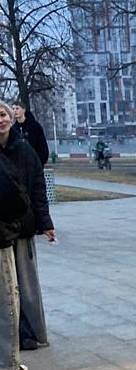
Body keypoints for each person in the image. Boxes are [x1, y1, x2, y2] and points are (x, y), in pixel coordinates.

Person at [0, 101, 56, 352]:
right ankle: (8, 336)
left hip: (22, 226)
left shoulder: (24, 150)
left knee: (26, 283)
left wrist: (45, 223)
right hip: (1, 230)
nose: (0, 120)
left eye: (3, 114)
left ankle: (30, 332)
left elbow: (38, 188)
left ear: (11, 118)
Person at [0, 102, 32, 370]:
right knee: (7, 300)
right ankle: (7, 365)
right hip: (1, 235)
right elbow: (13, 195)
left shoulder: (21, 147)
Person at [12, 100, 49, 167]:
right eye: (13, 109)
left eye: (17, 108)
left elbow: (43, 147)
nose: (15, 111)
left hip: (35, 166)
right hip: (19, 168)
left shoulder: (35, 126)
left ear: (23, 110)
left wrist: (39, 163)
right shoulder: (13, 129)